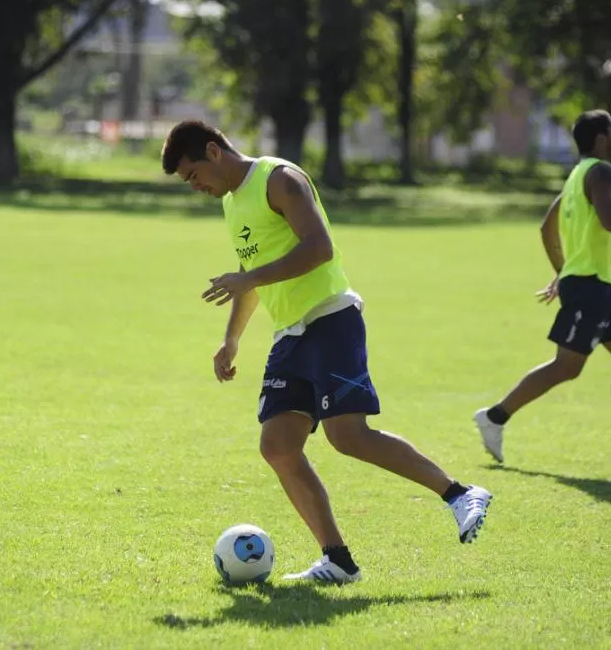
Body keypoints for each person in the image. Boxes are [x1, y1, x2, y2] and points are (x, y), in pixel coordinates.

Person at [161, 120, 492, 585]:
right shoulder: (233, 202)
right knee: (277, 445)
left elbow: (319, 248)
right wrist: (231, 338)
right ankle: (338, 561)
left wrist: (249, 279)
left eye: (193, 174)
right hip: (291, 334)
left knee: (348, 435)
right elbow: (250, 270)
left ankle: (459, 493)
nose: (195, 187)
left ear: (214, 152)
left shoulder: (280, 179)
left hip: (331, 319)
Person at [473, 110, 611, 467]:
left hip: (605, 285)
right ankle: (494, 417)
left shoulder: (576, 175)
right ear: (601, 137)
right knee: (567, 367)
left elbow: (547, 228)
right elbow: (610, 220)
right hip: (590, 286)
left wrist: (563, 270)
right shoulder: (601, 172)